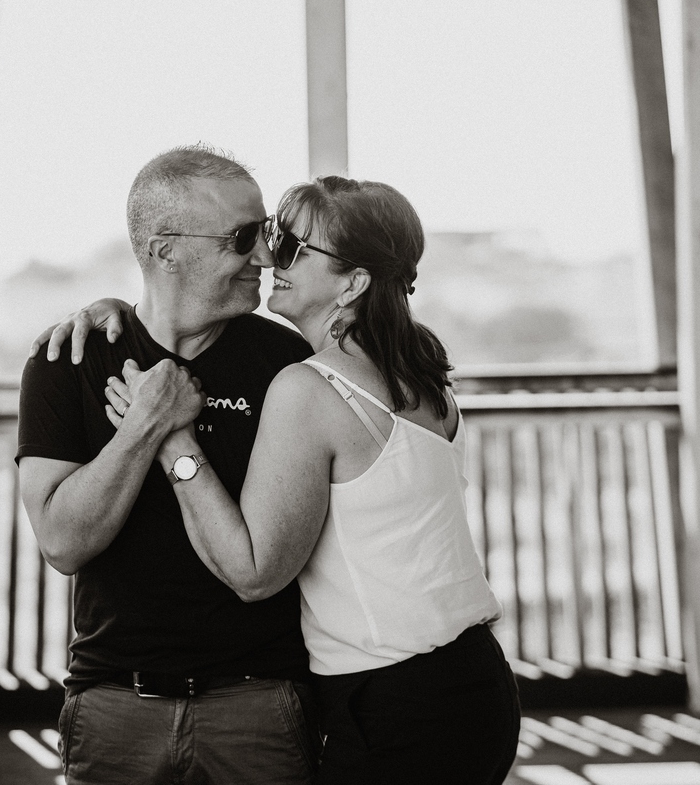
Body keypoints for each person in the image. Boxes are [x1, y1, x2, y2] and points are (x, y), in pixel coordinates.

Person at [42, 176, 521, 784]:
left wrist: (167, 436)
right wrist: (119, 308)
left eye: (295, 248)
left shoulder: (310, 387)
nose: (272, 257)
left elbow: (253, 571)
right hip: (471, 680)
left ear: (352, 283)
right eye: (270, 236)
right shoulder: (421, 371)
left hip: (394, 700)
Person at [17, 144, 321, 785]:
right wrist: (148, 426)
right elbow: (63, 543)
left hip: (258, 699)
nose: (265, 257)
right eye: (244, 238)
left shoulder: (285, 363)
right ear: (165, 251)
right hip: (114, 701)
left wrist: (171, 435)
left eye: (265, 234)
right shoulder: (68, 360)